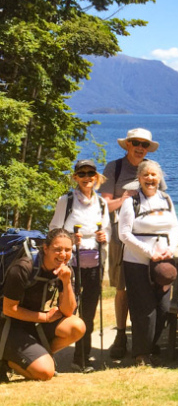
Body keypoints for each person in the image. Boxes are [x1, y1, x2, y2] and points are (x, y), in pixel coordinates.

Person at [100, 127, 159, 359]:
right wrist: (123, 200)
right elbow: (104, 205)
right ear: (127, 145)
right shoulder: (113, 168)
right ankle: (121, 335)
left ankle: (144, 336)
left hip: (148, 238)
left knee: (149, 287)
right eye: (136, 143)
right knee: (123, 289)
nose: (140, 148)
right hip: (120, 237)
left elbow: (161, 201)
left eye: (144, 145)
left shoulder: (151, 170)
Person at [49, 159, 111, 372]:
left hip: (94, 264)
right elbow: (54, 231)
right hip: (70, 265)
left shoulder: (101, 203)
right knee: (67, 310)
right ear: (75, 177)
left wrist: (105, 236)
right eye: (82, 174)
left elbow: (109, 232)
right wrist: (68, 239)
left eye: (90, 174)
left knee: (90, 312)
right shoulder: (65, 201)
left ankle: (82, 358)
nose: (87, 178)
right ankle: (50, 355)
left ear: (96, 177)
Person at [0, 229, 85, 381]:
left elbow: (68, 311)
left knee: (77, 326)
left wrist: (66, 282)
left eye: (67, 250)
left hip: (31, 323)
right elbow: (8, 309)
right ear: (45, 248)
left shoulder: (64, 269)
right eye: (57, 249)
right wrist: (45, 317)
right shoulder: (23, 268)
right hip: (7, 325)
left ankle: (27, 358)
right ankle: (7, 361)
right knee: (45, 373)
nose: (63, 254)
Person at [118, 160, 178, 366]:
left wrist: (169, 250)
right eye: (146, 175)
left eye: (154, 175)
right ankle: (141, 354)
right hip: (137, 262)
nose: (150, 179)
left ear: (159, 177)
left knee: (162, 308)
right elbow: (124, 234)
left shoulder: (167, 200)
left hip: (163, 260)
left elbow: (174, 228)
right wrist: (149, 252)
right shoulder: (131, 202)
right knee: (143, 309)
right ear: (139, 178)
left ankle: (151, 345)